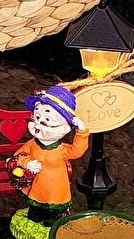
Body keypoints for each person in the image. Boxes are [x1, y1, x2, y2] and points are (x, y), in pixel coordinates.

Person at [15, 85, 89, 227]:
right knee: (34, 214)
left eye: (47, 121)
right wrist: (27, 162)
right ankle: (36, 213)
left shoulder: (62, 150)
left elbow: (78, 151)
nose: (38, 125)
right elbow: (19, 156)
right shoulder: (32, 144)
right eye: (37, 118)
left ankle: (54, 217)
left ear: (64, 129)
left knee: (53, 217)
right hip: (37, 188)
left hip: (56, 190)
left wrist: (82, 133)